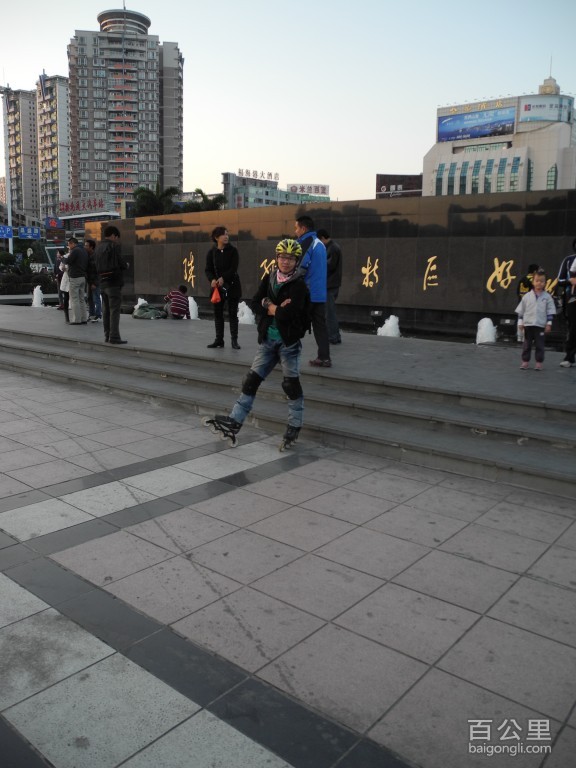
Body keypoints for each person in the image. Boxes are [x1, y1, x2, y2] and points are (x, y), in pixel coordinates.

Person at [203, 238, 310, 449]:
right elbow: (255, 302)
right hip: (268, 340)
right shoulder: (270, 277)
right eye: (282, 257)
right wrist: (274, 307)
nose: (285, 262)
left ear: (296, 261)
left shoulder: (299, 285)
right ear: (277, 258)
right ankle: (234, 421)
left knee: (291, 385)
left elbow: (289, 314)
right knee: (250, 380)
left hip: (288, 343)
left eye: (290, 258)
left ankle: (294, 426)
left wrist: (270, 305)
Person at [294, 215, 330, 367]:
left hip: (307, 293)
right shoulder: (320, 244)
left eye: (296, 228)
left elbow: (301, 266)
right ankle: (324, 358)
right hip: (319, 293)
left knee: (294, 323)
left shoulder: (307, 242)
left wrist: (288, 282)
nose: (295, 231)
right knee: (320, 326)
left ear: (303, 228)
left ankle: (286, 355)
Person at [204, 226, 242, 349]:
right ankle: (219, 340)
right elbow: (208, 269)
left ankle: (234, 340)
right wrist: (212, 279)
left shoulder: (233, 251)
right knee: (218, 314)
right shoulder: (211, 252)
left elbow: (233, 268)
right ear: (216, 237)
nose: (226, 236)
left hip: (232, 286)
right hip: (217, 288)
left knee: (232, 314)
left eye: (227, 234)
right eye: (223, 234)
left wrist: (223, 278)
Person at [93, 225, 128, 344]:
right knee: (114, 310)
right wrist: (126, 265)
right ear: (113, 235)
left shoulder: (98, 248)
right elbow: (121, 263)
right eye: (116, 237)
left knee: (106, 310)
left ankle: (107, 335)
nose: (117, 240)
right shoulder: (113, 246)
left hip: (102, 282)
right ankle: (114, 336)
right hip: (113, 282)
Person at [515, 268, 556, 370]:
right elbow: (521, 311)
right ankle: (525, 361)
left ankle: (539, 362)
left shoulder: (547, 297)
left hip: (540, 325)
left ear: (545, 283)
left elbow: (550, 311)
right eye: (537, 281)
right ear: (533, 282)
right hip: (528, 325)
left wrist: (549, 323)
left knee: (540, 345)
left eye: (542, 281)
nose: (539, 283)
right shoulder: (526, 296)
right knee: (527, 345)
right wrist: (520, 322)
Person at [317, 228, 342, 344]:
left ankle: (333, 336)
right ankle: (334, 336)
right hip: (330, 284)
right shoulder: (331, 247)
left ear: (322, 238)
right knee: (329, 311)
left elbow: (329, 266)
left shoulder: (333, 248)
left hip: (330, 285)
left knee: (329, 312)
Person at [556, 239, 576, 367]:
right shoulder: (569, 260)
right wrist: (570, 281)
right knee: (573, 327)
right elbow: (560, 280)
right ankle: (569, 357)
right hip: (572, 298)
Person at [65, 237, 89, 325]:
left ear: (73, 243)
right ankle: (84, 318)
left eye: (69, 245)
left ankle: (76, 319)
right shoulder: (84, 251)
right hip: (83, 277)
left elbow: (69, 261)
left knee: (74, 299)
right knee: (81, 299)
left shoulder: (75, 251)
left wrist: (63, 258)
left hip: (75, 277)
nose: (68, 246)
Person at [515, 263, 539, 342]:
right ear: (535, 271)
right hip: (530, 304)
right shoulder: (534, 280)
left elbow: (517, 292)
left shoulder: (522, 279)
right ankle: (527, 338)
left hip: (521, 302)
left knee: (520, 320)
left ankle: (519, 337)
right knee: (529, 322)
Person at [84, 238, 102, 323]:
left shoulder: (96, 256)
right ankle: (91, 314)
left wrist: (95, 283)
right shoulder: (87, 255)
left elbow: (99, 271)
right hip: (89, 281)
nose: (85, 247)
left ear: (91, 247)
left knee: (96, 298)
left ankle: (98, 315)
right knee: (89, 298)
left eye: (86, 246)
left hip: (95, 281)